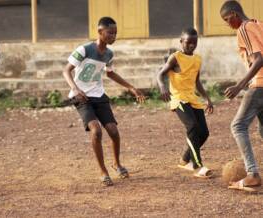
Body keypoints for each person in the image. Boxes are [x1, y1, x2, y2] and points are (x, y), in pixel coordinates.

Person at [63, 17, 145, 186]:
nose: (113, 36)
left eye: (115, 33)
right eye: (110, 33)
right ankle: (103, 171)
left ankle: (116, 163)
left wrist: (130, 87)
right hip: (81, 97)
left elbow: (110, 73)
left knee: (113, 131)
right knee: (96, 131)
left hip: (99, 95)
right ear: (100, 32)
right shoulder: (84, 49)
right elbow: (66, 70)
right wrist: (76, 89)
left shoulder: (109, 54)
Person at [157, 28, 214, 178]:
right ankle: (197, 165)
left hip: (192, 98)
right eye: (188, 42)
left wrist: (207, 98)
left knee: (204, 133)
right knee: (192, 127)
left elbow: (197, 82)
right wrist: (162, 86)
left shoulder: (197, 59)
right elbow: (160, 74)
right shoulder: (175, 58)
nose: (191, 45)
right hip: (178, 98)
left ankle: (184, 159)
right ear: (181, 41)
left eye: (194, 43)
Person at [220, 1, 263, 192]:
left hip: (260, 84)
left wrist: (240, 85)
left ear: (235, 14)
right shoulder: (258, 24)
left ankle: (252, 173)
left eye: (227, 19)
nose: (228, 24)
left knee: (238, 126)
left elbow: (259, 59)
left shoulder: (244, 28)